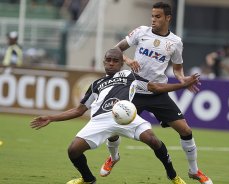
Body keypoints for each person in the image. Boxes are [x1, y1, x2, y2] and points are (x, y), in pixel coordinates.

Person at [30, 48, 201, 184]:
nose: (111, 63)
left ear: (121, 64)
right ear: (104, 62)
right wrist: (51, 118)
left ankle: (173, 176)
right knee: (73, 150)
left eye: (115, 61)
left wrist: (181, 85)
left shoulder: (129, 75)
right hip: (100, 119)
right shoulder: (96, 84)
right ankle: (88, 179)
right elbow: (78, 110)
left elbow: (155, 88)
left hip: (127, 116)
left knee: (153, 140)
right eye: (108, 60)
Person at [101, 2, 213, 184]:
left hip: (157, 92)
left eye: (158, 16)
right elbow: (117, 50)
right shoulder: (141, 32)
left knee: (185, 130)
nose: (153, 20)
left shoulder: (175, 42)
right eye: (152, 16)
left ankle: (194, 171)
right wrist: (128, 60)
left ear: (168, 18)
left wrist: (183, 79)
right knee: (113, 127)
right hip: (133, 90)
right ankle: (113, 158)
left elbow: (177, 69)